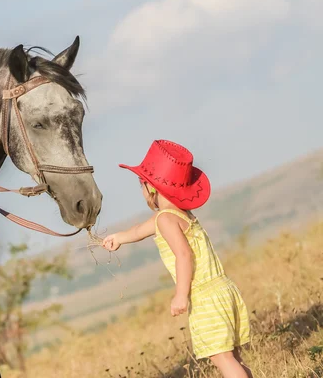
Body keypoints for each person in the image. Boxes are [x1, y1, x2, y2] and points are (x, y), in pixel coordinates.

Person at [102, 139, 252, 378]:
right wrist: (119, 238)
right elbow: (139, 231)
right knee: (231, 357)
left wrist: (181, 295)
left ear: (150, 188)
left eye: (141, 186)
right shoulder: (178, 215)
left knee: (223, 359)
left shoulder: (164, 220)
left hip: (204, 297)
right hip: (223, 289)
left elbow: (183, 255)